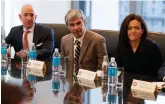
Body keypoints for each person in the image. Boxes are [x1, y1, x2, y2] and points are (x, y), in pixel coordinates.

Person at [60, 9, 107, 81]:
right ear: (68, 27)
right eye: (72, 25)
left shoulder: (98, 40)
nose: (76, 28)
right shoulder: (64, 40)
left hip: (90, 84)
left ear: (84, 22)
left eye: (78, 23)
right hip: (70, 84)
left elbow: (104, 69)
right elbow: (62, 65)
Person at [116, 14, 163, 78]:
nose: (133, 31)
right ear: (125, 31)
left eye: (137, 28)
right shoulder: (121, 47)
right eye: (129, 28)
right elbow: (117, 72)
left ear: (142, 31)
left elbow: (157, 74)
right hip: (125, 84)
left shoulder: (152, 48)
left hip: (146, 85)